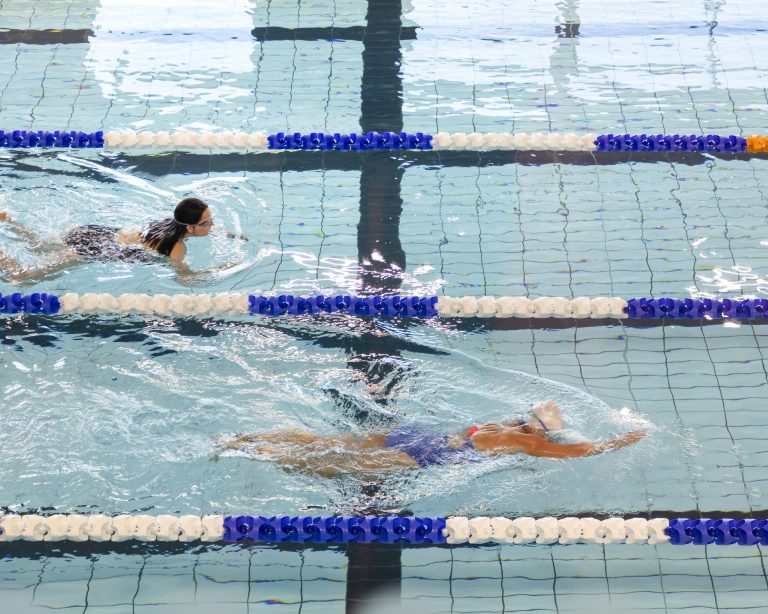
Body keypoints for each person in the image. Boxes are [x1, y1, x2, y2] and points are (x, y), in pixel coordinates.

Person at [214, 400, 646, 477]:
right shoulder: (527, 442)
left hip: (416, 435)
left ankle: (245, 436)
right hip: (426, 456)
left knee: (327, 440)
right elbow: (581, 452)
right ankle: (260, 454)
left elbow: (460, 436)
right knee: (333, 467)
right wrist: (624, 440)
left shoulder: (498, 424)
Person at [0, 197, 242, 282]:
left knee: (40, 247)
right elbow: (185, 280)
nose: (212, 225)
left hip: (92, 231)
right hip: (96, 248)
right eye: (207, 223)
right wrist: (221, 270)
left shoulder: (168, 223)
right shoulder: (177, 249)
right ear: (189, 227)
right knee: (20, 277)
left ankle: (8, 220)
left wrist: (230, 235)